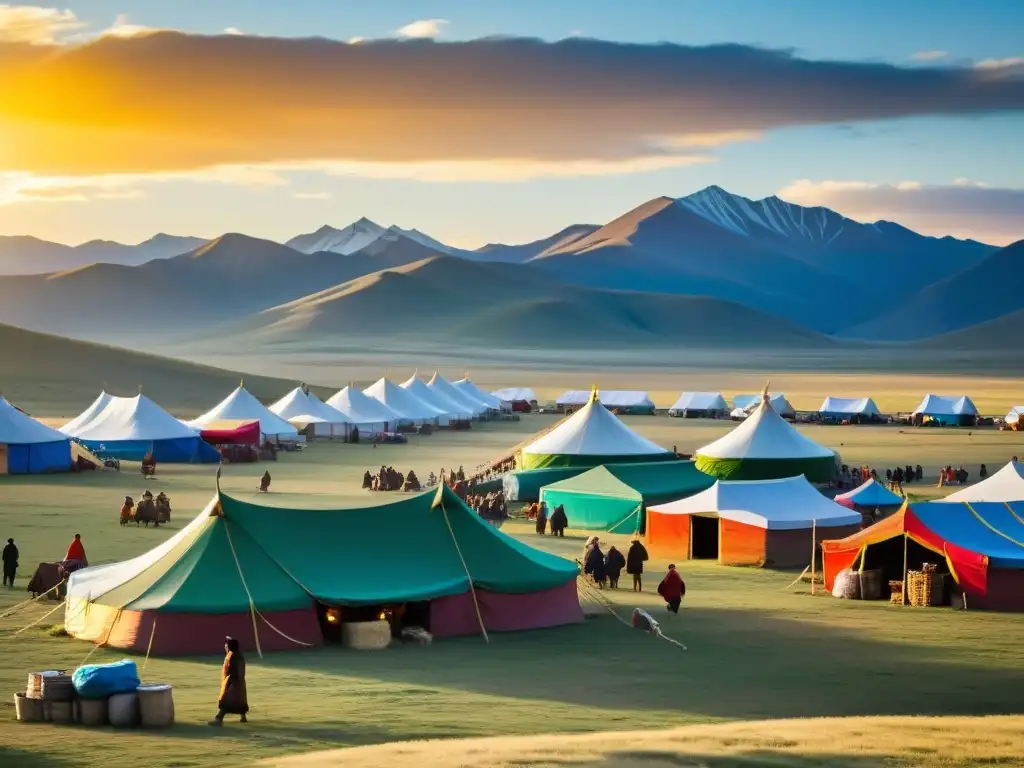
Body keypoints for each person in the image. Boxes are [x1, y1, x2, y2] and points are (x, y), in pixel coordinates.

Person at [210, 637, 248, 726]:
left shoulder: (236, 657)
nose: (225, 646)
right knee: (240, 700)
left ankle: (218, 719)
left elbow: (240, 671)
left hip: (234, 682)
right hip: (236, 681)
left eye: (226, 644)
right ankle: (243, 717)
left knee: (226, 700)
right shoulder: (233, 655)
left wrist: (236, 684)